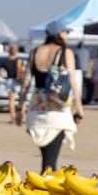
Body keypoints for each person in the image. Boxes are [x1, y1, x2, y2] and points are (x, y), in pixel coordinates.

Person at [15, 21, 84, 171]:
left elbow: (25, 83)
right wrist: (79, 109)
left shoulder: (34, 52)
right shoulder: (65, 52)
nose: (67, 35)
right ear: (59, 34)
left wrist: (20, 109)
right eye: (66, 32)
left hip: (36, 110)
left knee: (47, 158)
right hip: (56, 111)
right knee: (50, 163)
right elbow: (72, 82)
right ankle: (44, 190)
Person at [1, 44, 25, 123]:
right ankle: (21, 116)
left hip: (9, 80)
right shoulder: (19, 60)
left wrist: (4, 78)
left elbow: (1, 72)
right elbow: (23, 69)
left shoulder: (6, 60)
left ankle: (13, 118)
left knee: (11, 101)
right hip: (17, 81)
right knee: (22, 99)